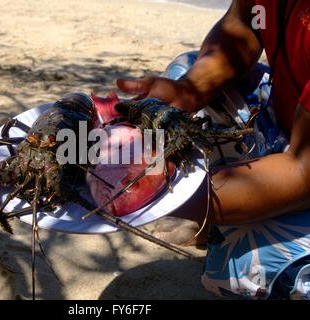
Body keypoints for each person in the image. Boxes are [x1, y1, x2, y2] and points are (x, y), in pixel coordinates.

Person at [116, 0, 310, 299]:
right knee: (184, 76)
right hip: (293, 124)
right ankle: (214, 223)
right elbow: (244, 23)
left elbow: (303, 171)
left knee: (249, 267)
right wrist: (192, 88)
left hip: (304, 163)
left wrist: (165, 197)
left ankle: (224, 219)